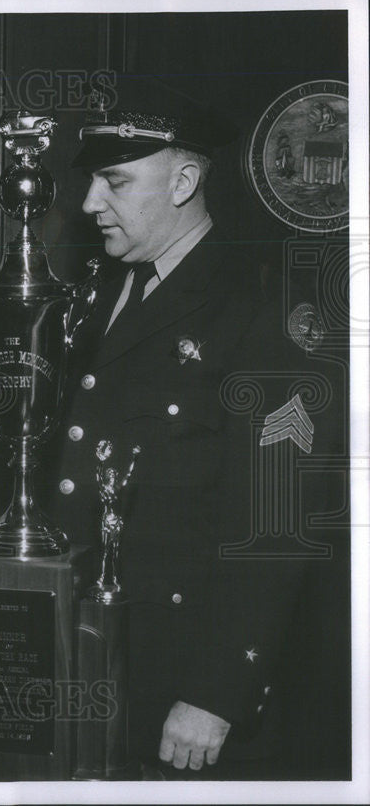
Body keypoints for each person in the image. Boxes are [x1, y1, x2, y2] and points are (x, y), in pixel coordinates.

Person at [46, 81, 348, 778]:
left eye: (114, 181)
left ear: (184, 181)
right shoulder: (103, 290)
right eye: (92, 181)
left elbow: (276, 522)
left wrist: (216, 691)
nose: (91, 203)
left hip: (182, 682)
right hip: (92, 655)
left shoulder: (264, 309)